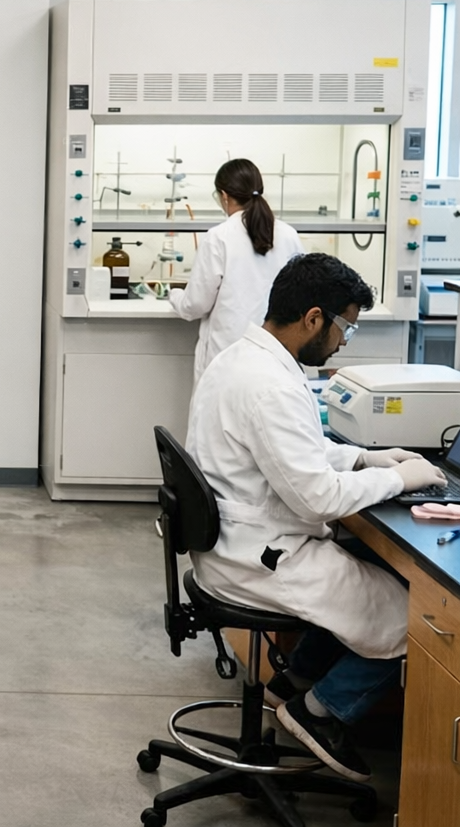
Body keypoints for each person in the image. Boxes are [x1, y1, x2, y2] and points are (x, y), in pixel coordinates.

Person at [186, 252, 447, 782]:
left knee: (366, 572)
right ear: (312, 318)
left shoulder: (243, 359)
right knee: (415, 619)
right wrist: (401, 479)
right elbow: (318, 498)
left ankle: (292, 683)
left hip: (237, 543)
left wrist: (365, 459)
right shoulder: (272, 385)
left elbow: (290, 452)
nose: (344, 342)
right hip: (261, 559)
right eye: (345, 327)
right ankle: (318, 711)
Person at [170, 158, 303, 382]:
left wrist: (174, 296)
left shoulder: (219, 237)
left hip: (227, 356)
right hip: (276, 356)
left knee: (222, 405)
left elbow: (195, 305)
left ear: (224, 196)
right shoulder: (289, 235)